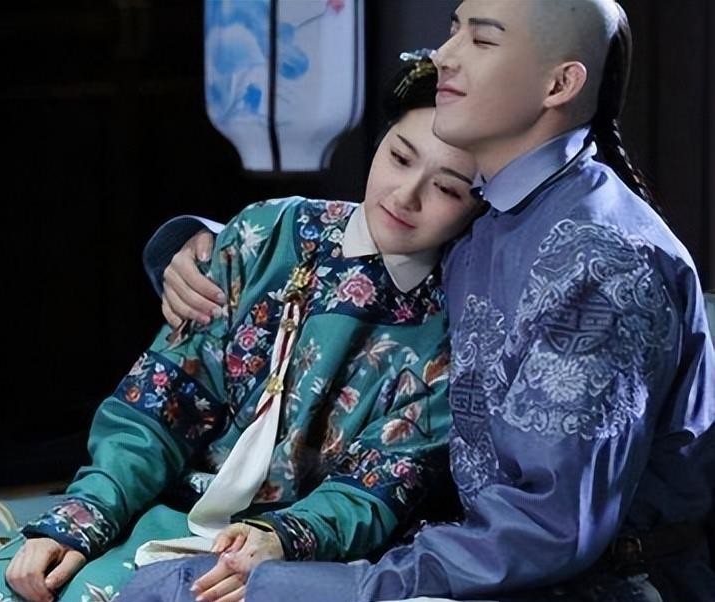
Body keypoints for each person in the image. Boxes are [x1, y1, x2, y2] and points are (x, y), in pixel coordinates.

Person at [122, 1, 715, 601]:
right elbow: (349, 248)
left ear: (558, 84)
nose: (443, 55)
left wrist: (335, 586)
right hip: (473, 562)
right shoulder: (496, 209)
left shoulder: (596, 263)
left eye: (482, 40)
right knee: (167, 583)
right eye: (453, 29)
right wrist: (200, 247)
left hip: (584, 583)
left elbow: (548, 529)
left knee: (193, 590)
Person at [0, 54, 485, 602]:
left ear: (478, 204)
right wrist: (82, 518)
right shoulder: (267, 233)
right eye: (400, 157)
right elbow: (160, 405)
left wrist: (280, 541)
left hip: (297, 553)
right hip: (170, 508)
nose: (405, 195)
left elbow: (377, 487)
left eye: (447, 189)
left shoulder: (456, 322)